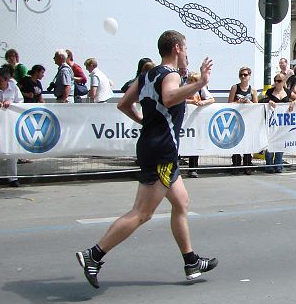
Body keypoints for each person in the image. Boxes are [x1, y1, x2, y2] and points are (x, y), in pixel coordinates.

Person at [75, 30, 217, 289]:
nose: (186, 53)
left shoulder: (147, 74)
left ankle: (191, 261)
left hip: (154, 146)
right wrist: (200, 83)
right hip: (162, 150)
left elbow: (124, 104)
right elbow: (169, 97)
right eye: (185, 48)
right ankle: (93, 255)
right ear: (176, 48)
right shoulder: (170, 74)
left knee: (181, 201)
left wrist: (144, 121)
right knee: (142, 213)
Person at [262, 73, 296, 173]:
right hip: (271, 121)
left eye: (279, 81)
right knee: (270, 142)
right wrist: (269, 101)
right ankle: (269, 165)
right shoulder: (270, 91)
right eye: (275, 80)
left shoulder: (287, 92)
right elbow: (261, 100)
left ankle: (278, 165)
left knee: (280, 143)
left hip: (283, 122)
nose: (276, 83)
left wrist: (293, 102)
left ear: (283, 82)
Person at [184, 71, 215, 178]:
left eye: (194, 81)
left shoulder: (201, 90)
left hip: (196, 120)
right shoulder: (183, 88)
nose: (191, 83)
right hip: (183, 119)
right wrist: (190, 102)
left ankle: (193, 168)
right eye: (190, 80)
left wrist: (203, 102)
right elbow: (178, 99)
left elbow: (212, 99)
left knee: (194, 143)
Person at [228, 66, 257, 174]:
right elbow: (229, 102)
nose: (243, 77)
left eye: (245, 75)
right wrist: (239, 102)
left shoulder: (253, 90)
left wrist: (249, 103)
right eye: (241, 75)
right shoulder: (235, 87)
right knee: (236, 140)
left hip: (248, 119)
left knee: (248, 142)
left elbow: (256, 105)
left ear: (249, 76)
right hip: (236, 119)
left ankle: (247, 164)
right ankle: (236, 164)